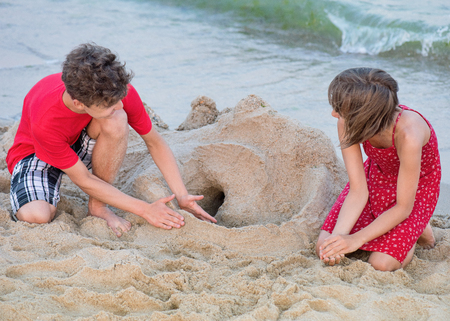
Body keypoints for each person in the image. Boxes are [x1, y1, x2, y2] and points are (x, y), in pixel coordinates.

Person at [6, 43, 217, 237]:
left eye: (119, 99)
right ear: (79, 104)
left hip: (78, 143)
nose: (119, 105)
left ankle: (98, 208)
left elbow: (155, 142)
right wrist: (145, 209)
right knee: (36, 216)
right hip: (36, 155)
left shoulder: (114, 92)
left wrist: (182, 194)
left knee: (116, 120)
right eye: (109, 105)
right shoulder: (46, 119)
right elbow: (84, 180)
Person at [316, 67, 441, 271]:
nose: (333, 113)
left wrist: (356, 239)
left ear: (364, 116)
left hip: (416, 187)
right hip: (378, 174)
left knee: (381, 264)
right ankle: (413, 225)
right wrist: (337, 241)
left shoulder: (409, 134)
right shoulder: (346, 121)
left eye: (339, 108)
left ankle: (420, 226)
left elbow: (403, 206)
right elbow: (358, 190)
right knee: (323, 246)